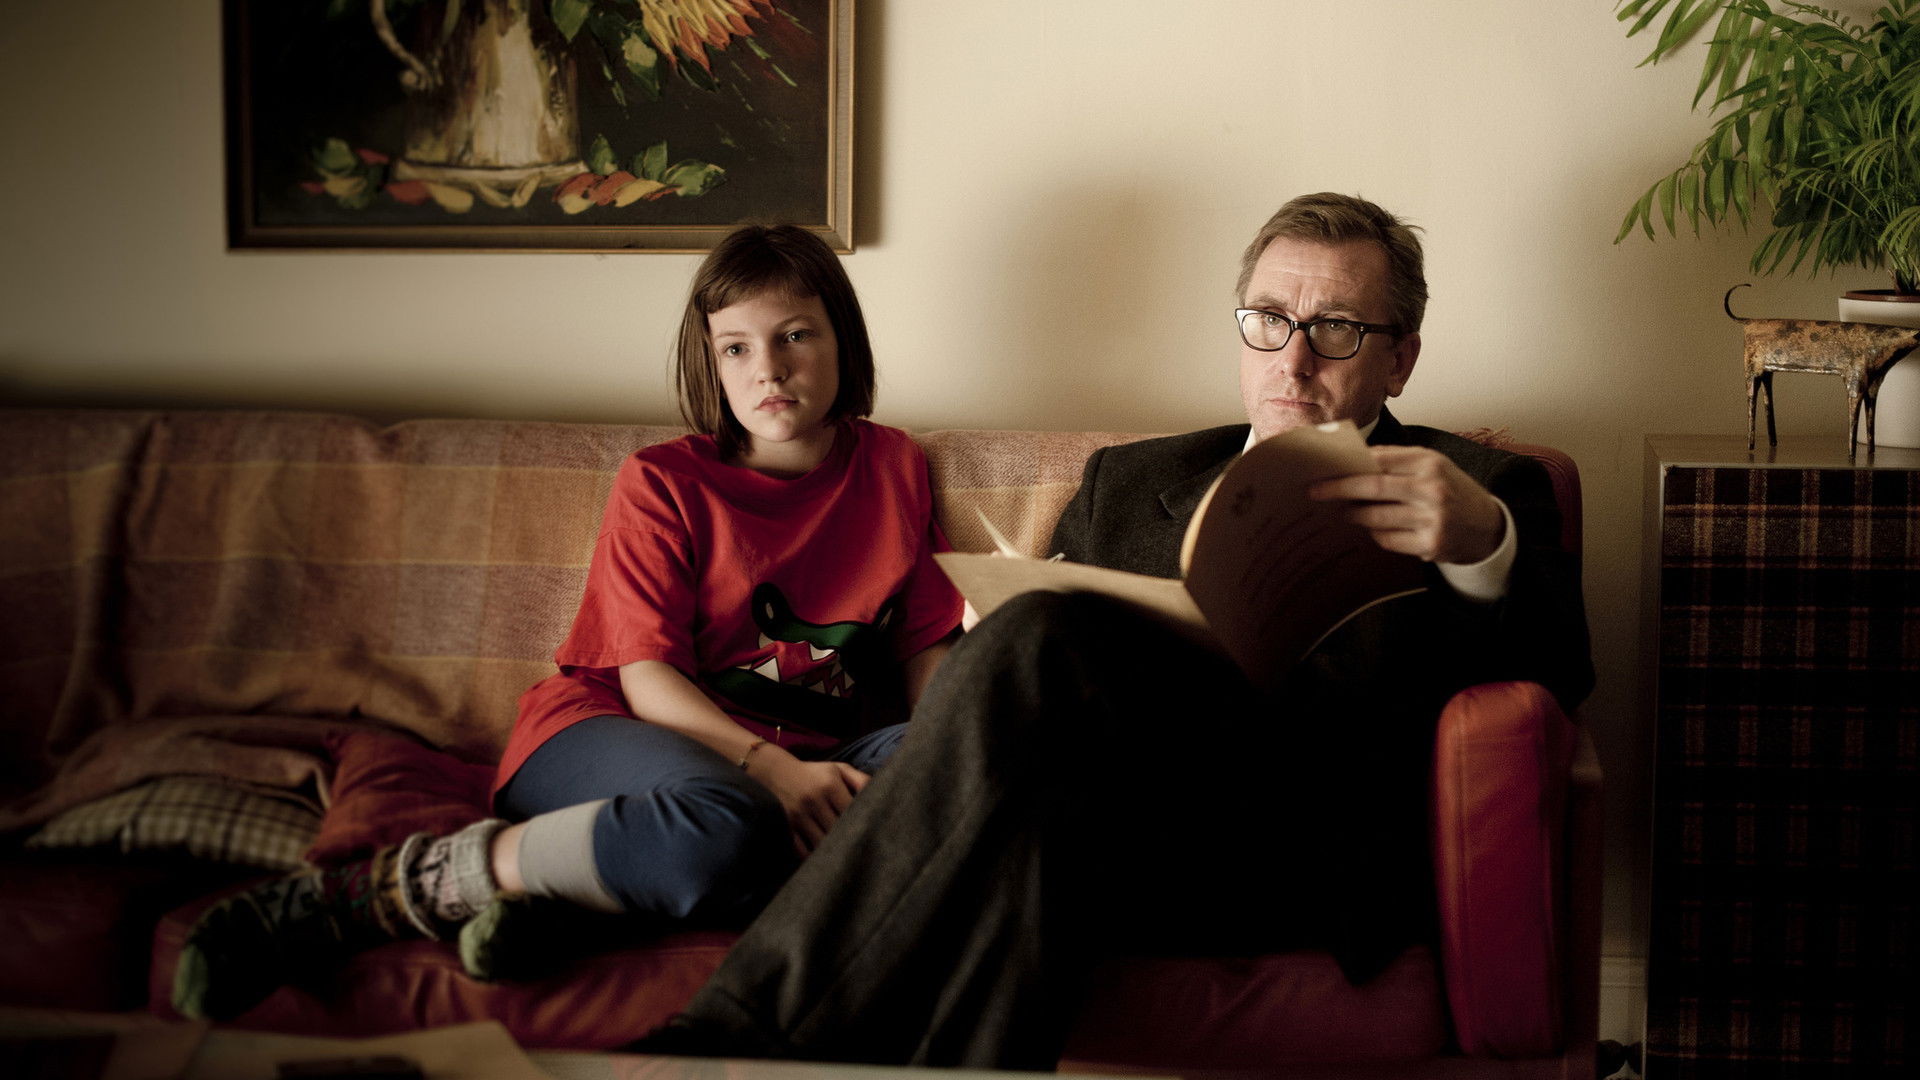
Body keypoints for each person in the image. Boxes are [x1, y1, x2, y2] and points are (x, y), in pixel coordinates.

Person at [636, 193, 1596, 1069]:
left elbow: (1562, 675)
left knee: (1039, 685)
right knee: (1031, 775)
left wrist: (1483, 547)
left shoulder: (1479, 490)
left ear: (1401, 359)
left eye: (1336, 330)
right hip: (1113, 828)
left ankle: (727, 1034)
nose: (1293, 359)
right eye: (1269, 320)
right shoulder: (1131, 481)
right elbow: (1019, 671)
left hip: (1296, 851)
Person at [171, 224, 965, 1021]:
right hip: (609, 735)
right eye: (736, 348)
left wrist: (942, 764)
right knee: (736, 822)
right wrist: (774, 771)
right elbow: (648, 680)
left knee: (962, 769)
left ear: (841, 338)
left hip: (806, 760)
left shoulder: (892, 465)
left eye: (795, 335)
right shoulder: (663, 482)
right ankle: (395, 888)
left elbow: (928, 648)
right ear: (710, 361)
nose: (769, 369)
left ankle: (582, 896)